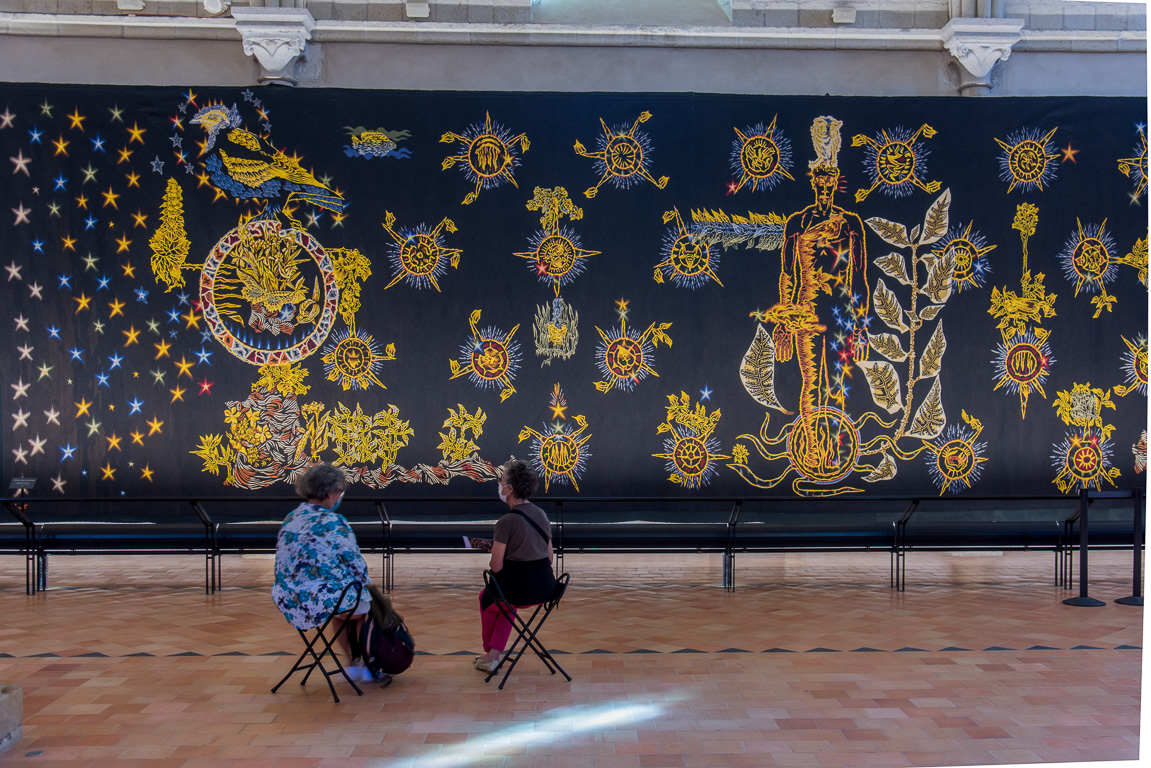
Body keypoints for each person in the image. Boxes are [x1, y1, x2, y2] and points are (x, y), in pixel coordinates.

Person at [272, 463, 381, 683]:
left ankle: (351, 662)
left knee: (344, 611)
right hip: (321, 597)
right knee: (365, 606)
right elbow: (355, 562)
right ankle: (366, 664)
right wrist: (368, 586)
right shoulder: (334, 522)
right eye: (340, 492)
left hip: (286, 597)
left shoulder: (291, 517)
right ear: (331, 493)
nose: (340, 496)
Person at [474, 460, 557, 673]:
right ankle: (493, 655)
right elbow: (549, 558)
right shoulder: (542, 515)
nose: (499, 486)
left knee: (490, 596)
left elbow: (497, 566)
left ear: (510, 489)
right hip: (546, 589)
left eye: (501, 481)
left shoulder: (505, 522)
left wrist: (496, 550)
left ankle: (490, 653)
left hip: (517, 592)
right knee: (506, 602)